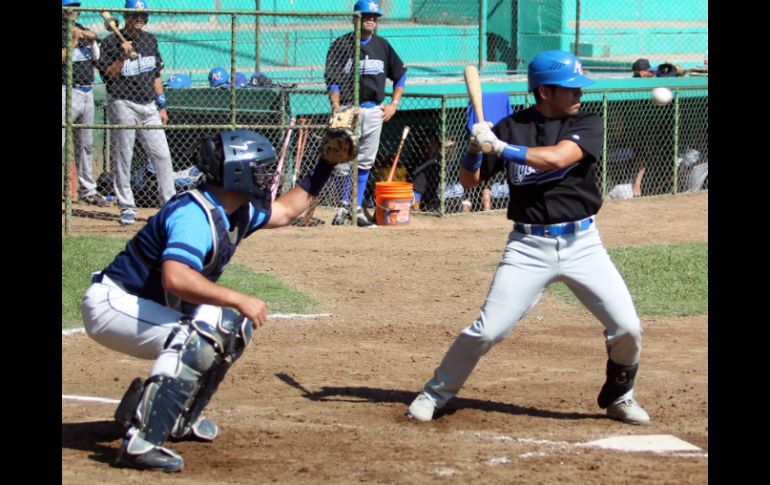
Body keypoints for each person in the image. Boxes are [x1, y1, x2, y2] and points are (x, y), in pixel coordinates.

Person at [407, 50, 650, 426]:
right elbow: (471, 181)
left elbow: (556, 158)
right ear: (544, 92)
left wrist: (501, 148)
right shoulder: (509, 126)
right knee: (487, 330)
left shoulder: (587, 122)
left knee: (628, 328)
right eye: (570, 89)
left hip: (583, 244)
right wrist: (474, 149)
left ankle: (619, 394)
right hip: (527, 247)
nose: (578, 94)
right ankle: (435, 392)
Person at [81, 128, 340, 472]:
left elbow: (287, 211)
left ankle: (177, 420)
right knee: (199, 334)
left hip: (141, 306)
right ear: (238, 172)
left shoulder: (236, 210)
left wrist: (325, 164)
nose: (266, 176)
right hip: (114, 304)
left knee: (232, 329)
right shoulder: (194, 213)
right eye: (260, 169)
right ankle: (140, 441)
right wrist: (237, 297)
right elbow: (176, 277)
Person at [326, 0, 407, 228]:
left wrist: (394, 104)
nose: (372, 20)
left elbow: (400, 75)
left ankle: (355, 208)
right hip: (348, 109)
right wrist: (336, 106)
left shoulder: (382, 45)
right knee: (343, 161)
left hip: (374, 110)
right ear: (355, 19)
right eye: (367, 16)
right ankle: (343, 207)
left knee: (365, 162)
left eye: (374, 17)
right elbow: (333, 79)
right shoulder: (341, 45)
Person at [97, 0, 175, 225]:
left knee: (161, 155)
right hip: (123, 103)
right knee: (124, 156)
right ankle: (127, 207)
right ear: (126, 16)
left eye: (142, 15)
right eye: (134, 15)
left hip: (148, 105)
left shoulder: (150, 40)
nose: (139, 19)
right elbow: (108, 77)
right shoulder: (111, 42)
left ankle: (168, 204)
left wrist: (162, 105)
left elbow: (156, 75)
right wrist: (122, 56)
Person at [62, 0, 110, 207]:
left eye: (76, 7)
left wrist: (91, 42)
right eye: (69, 6)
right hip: (65, 90)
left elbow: (97, 61)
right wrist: (73, 40)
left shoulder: (82, 30)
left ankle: (87, 190)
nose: (74, 11)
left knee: (86, 144)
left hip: (87, 90)